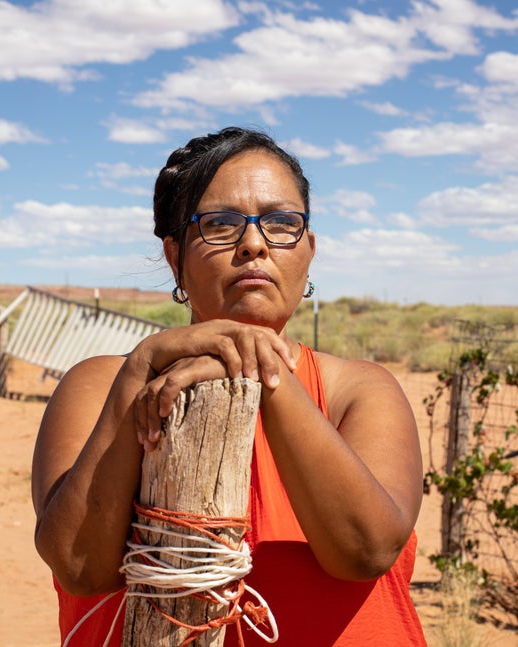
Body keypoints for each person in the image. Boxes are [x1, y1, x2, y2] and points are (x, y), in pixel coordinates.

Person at [31, 126, 427, 645]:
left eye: (282, 222)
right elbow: (79, 566)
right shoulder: (102, 385)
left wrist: (264, 373)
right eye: (219, 224)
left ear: (308, 251)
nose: (254, 244)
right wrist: (140, 369)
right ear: (175, 258)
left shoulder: (359, 390)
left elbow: (364, 552)